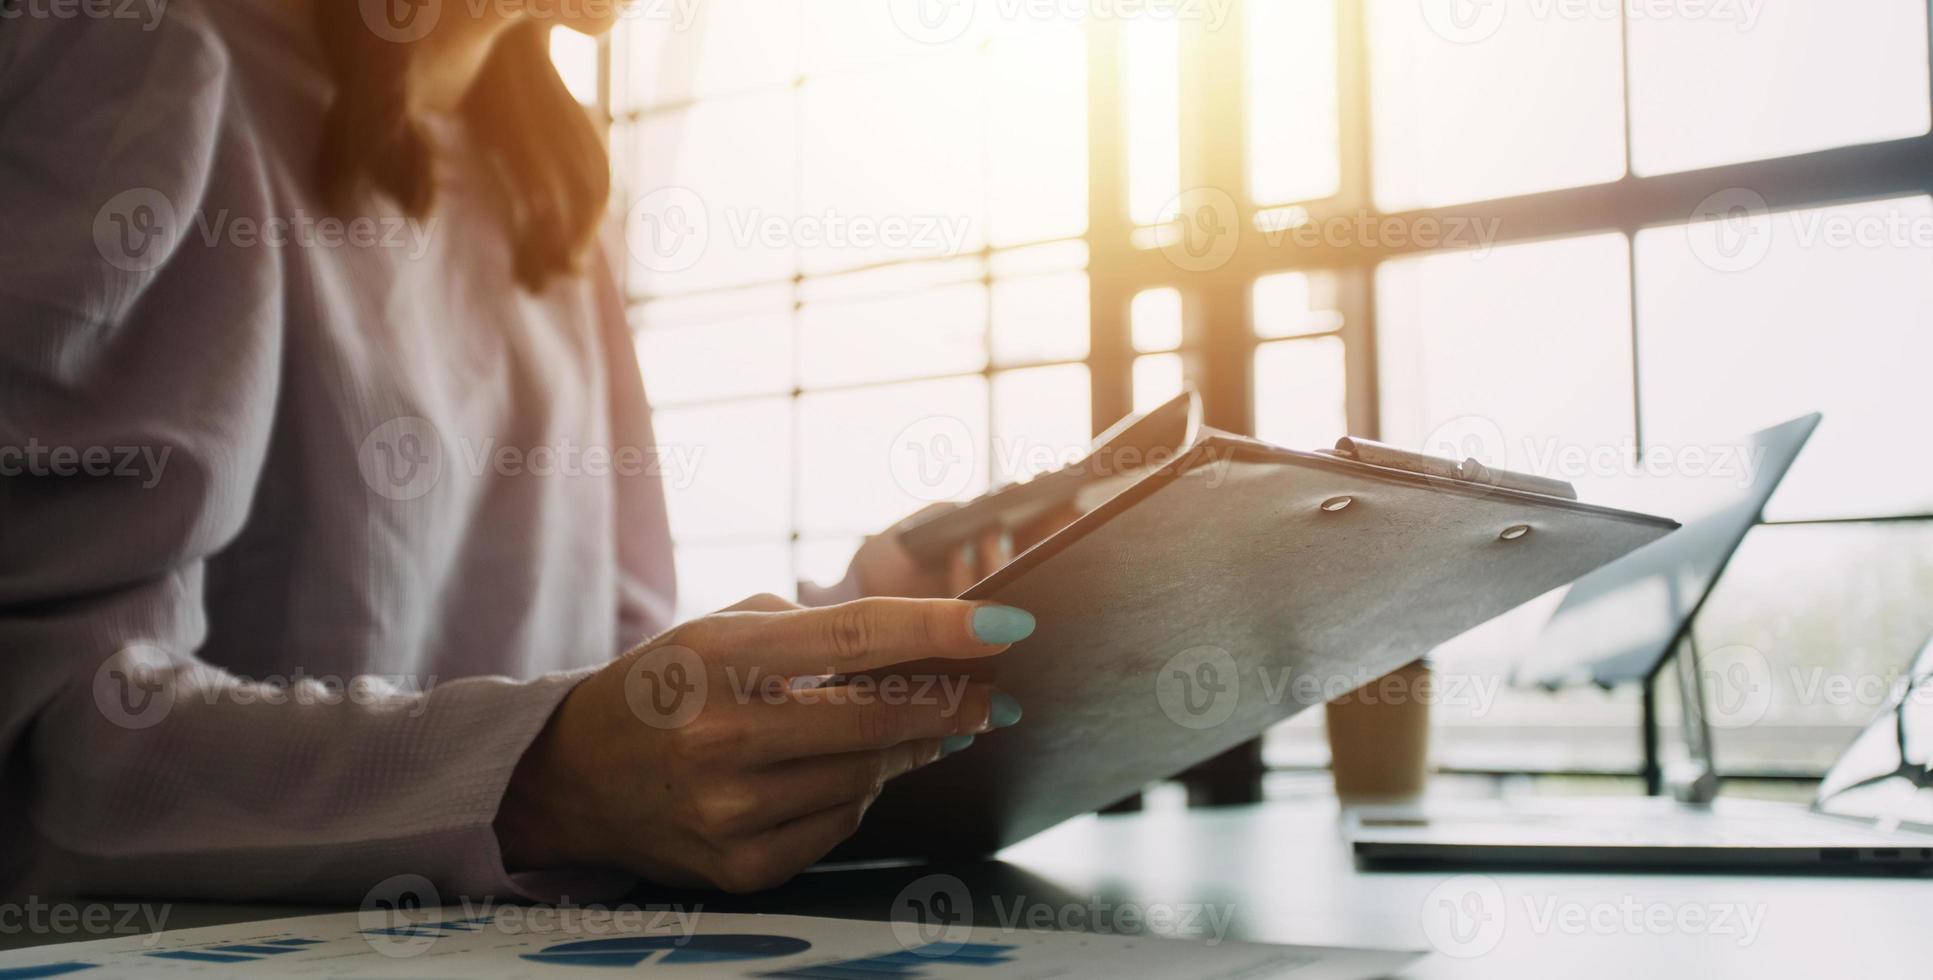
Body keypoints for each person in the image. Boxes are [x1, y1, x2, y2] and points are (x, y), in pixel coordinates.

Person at [0, 0, 1044, 903]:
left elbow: (602, 683)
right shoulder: (138, 60)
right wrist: (543, 778)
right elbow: (47, 748)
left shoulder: (556, 186)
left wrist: (869, 616)